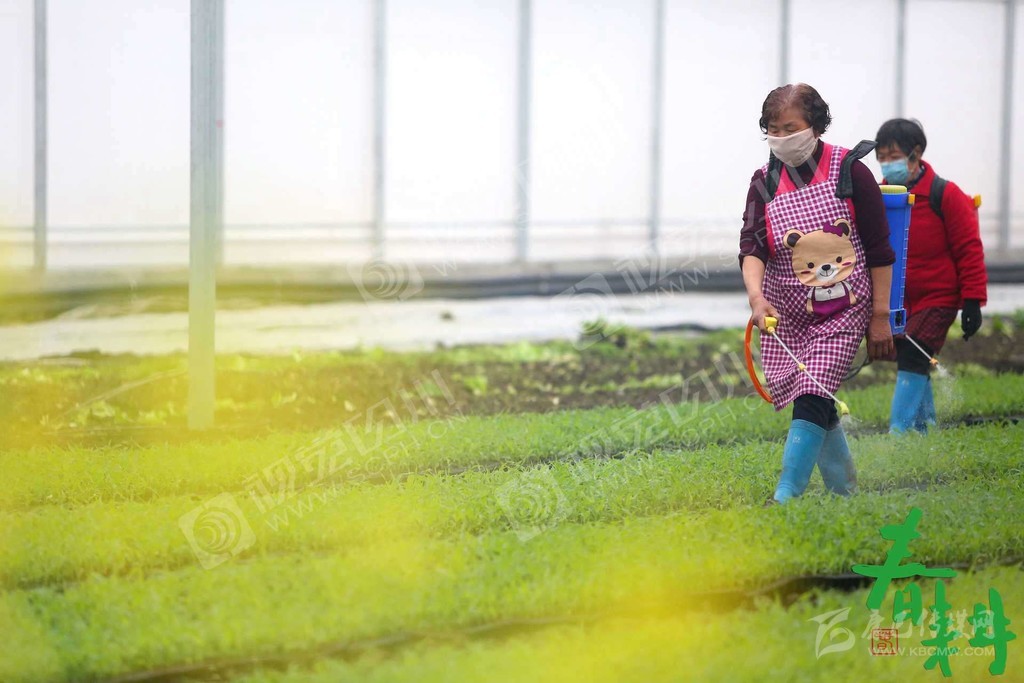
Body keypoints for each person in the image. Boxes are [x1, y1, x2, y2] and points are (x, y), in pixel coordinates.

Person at [740, 83, 895, 504]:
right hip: (787, 317)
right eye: (773, 130)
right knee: (816, 396)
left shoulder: (850, 171)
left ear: (816, 126)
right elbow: (752, 248)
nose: (782, 138)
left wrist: (880, 316)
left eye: (791, 128)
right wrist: (756, 297)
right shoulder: (764, 183)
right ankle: (844, 493)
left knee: (810, 392)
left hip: (843, 312)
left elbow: (880, 250)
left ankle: (785, 496)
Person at [875, 118, 988, 433]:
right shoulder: (883, 197)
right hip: (902, 302)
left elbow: (969, 248)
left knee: (914, 354)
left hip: (938, 298)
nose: (887, 164)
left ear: (916, 153)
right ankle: (925, 430)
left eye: (894, 156)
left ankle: (898, 435)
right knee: (913, 356)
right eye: (881, 158)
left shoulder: (945, 194)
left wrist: (972, 301)